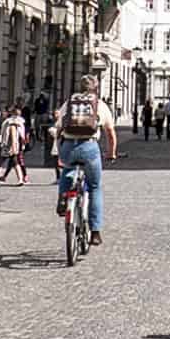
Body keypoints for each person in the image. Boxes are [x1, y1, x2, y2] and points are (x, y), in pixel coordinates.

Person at [54, 75, 119, 246]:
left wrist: (59, 151)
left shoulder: (68, 103)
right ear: (95, 88)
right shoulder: (100, 105)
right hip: (89, 147)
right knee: (95, 186)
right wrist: (111, 153)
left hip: (68, 145)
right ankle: (95, 232)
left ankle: (62, 198)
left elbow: (58, 129)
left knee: (67, 171)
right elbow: (110, 134)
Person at [1, 107, 30, 184]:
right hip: (17, 145)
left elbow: (12, 136)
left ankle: (22, 177)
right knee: (14, 161)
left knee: (15, 161)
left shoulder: (10, 123)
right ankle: (19, 177)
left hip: (13, 145)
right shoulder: (21, 122)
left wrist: (5, 144)